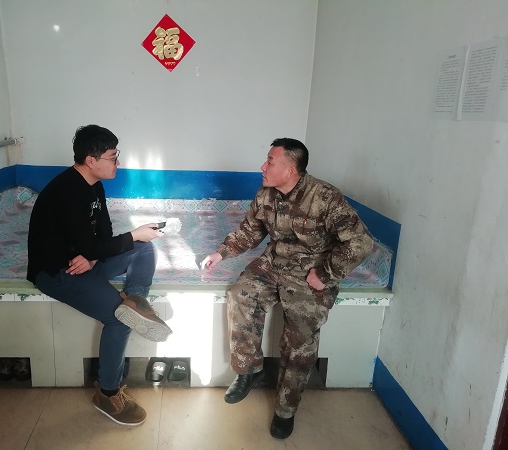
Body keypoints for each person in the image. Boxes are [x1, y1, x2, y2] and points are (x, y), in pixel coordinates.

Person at [201, 138, 374, 439]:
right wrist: (221, 253)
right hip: (274, 262)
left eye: (270, 161)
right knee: (240, 293)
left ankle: (285, 409)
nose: (262, 167)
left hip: (311, 270)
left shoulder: (324, 197)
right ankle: (249, 370)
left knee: (299, 336)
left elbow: (361, 242)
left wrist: (326, 274)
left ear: (290, 170)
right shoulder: (266, 193)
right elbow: (250, 230)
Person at [27, 124, 172, 426]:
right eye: (113, 157)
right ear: (91, 160)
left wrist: (94, 255)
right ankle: (107, 393)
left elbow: (103, 236)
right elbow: (96, 243)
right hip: (59, 271)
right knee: (118, 318)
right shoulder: (66, 192)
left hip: (86, 261)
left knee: (144, 248)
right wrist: (128, 236)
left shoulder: (95, 186)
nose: (118, 162)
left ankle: (136, 301)